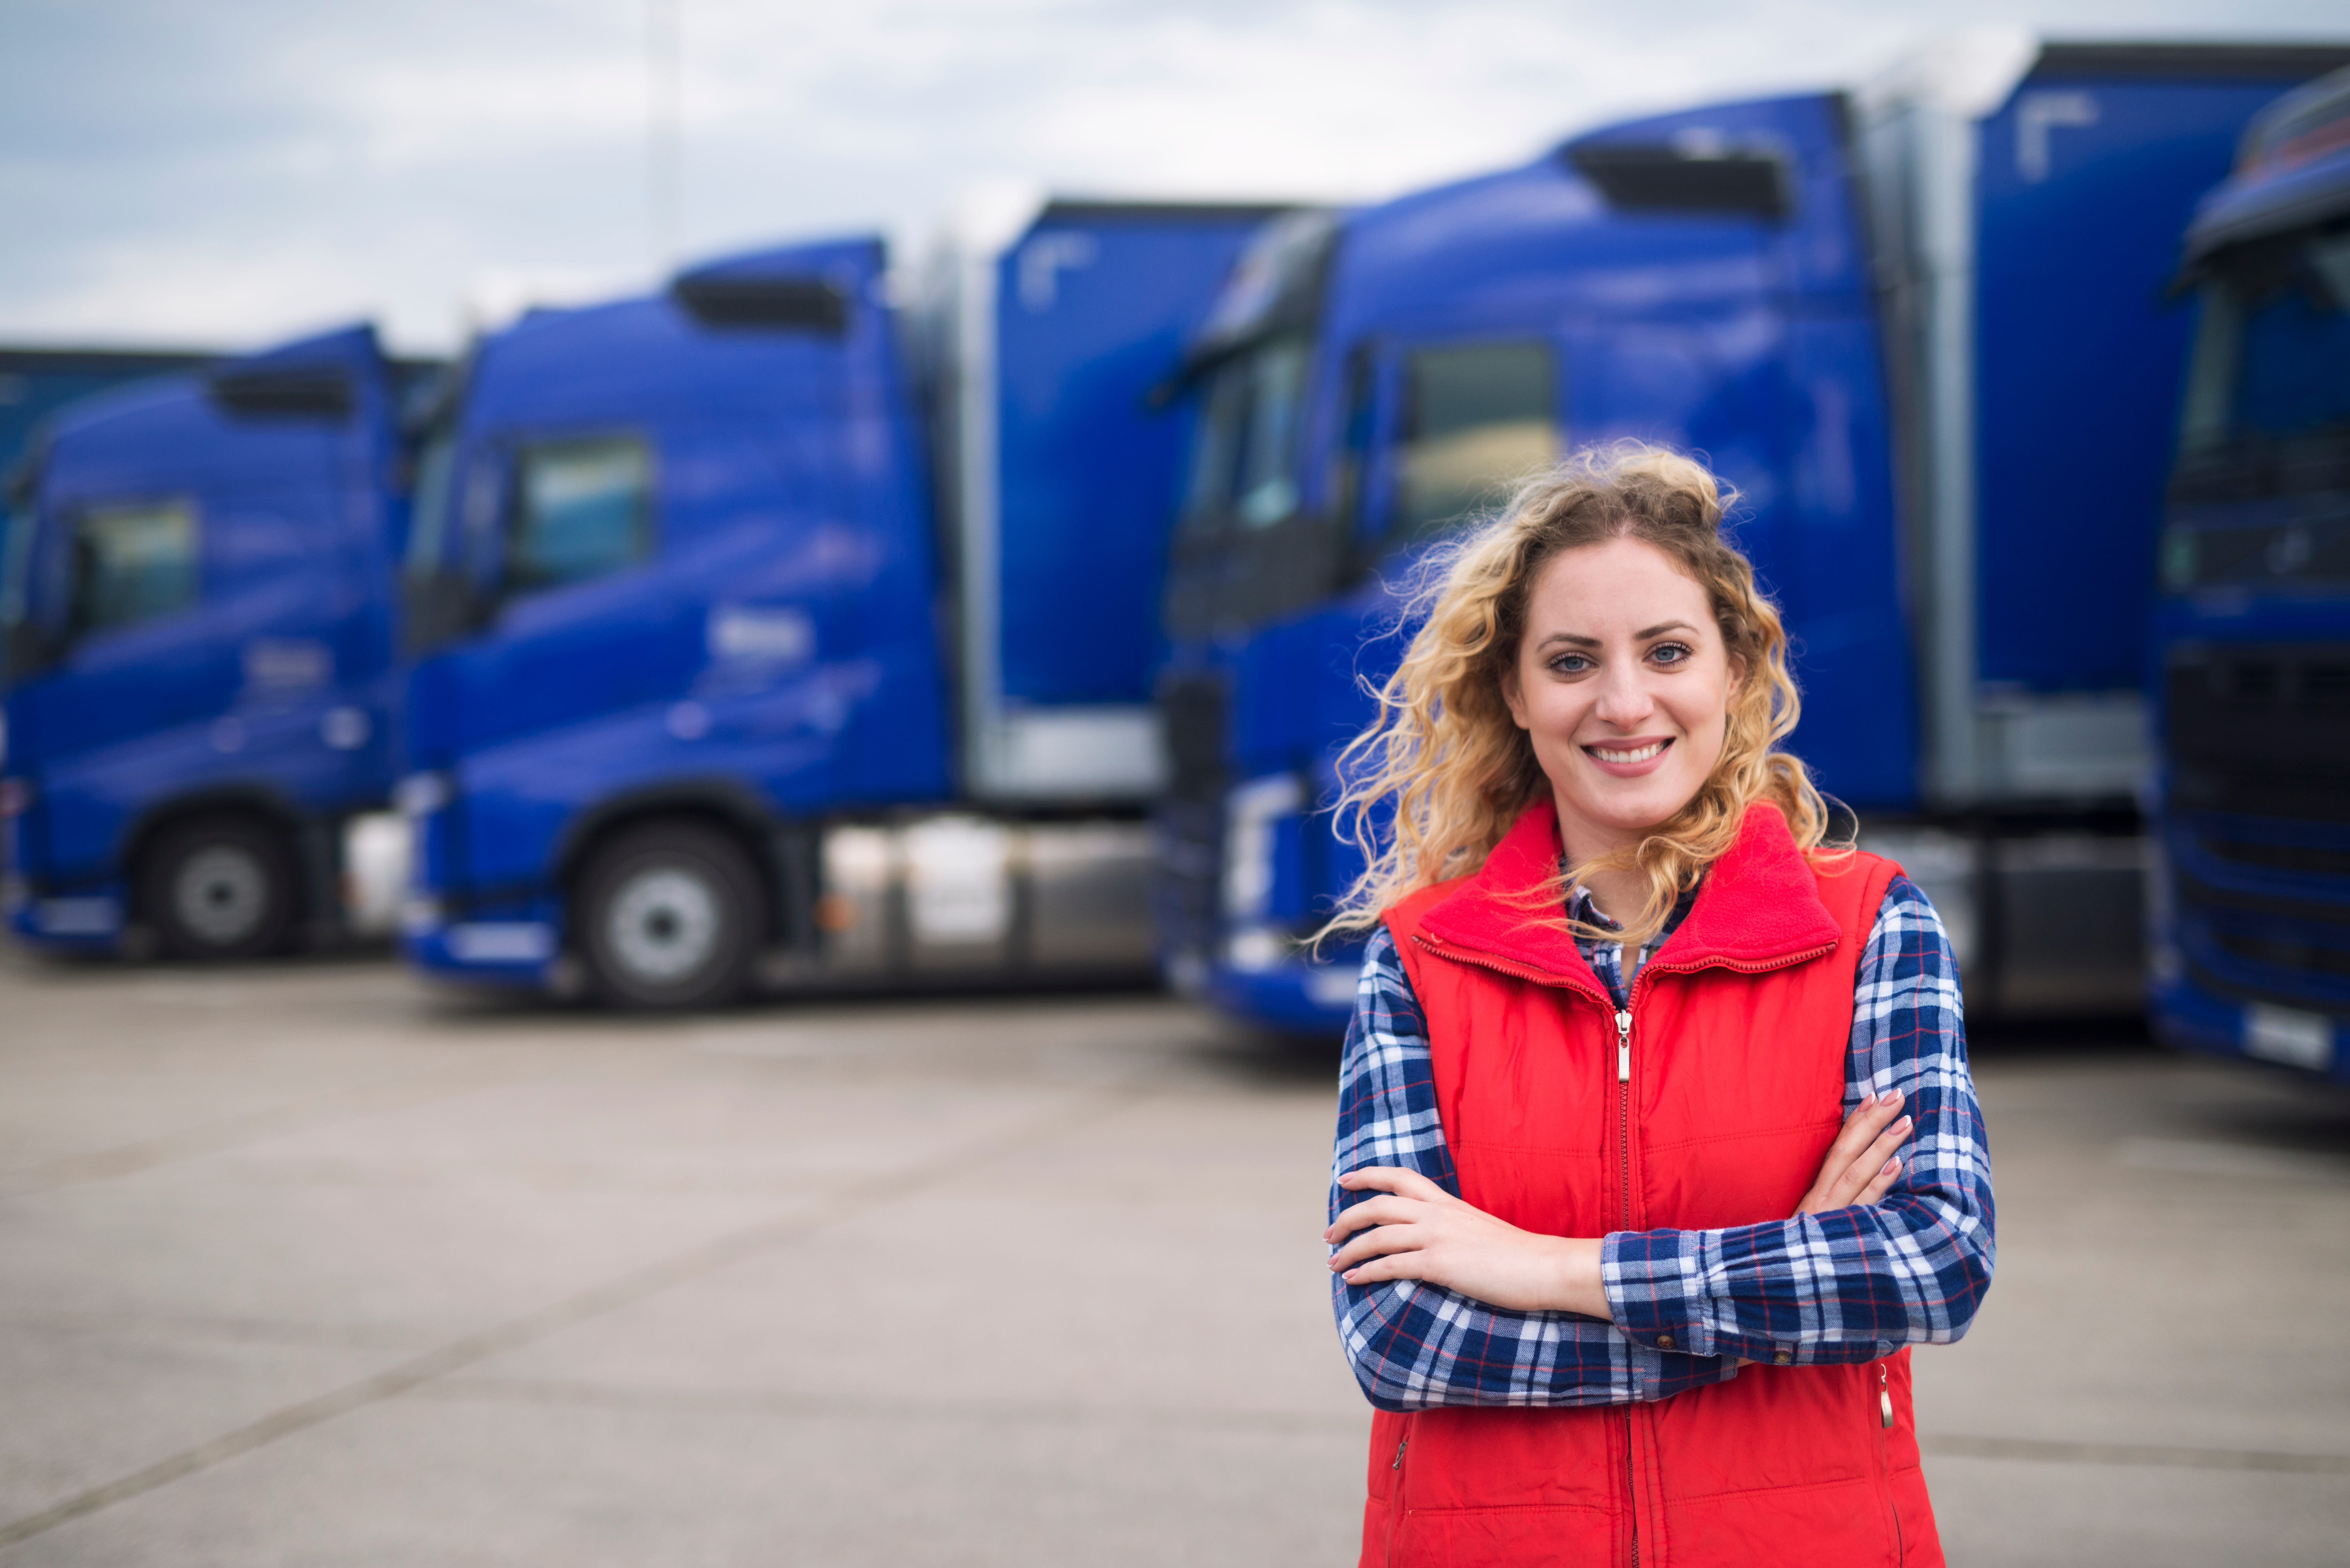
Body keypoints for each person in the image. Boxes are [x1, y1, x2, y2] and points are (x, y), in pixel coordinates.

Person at [1318, 444, 1993, 1567]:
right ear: (1515, 693)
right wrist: (1774, 1300)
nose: (1625, 703)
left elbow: (1934, 1261)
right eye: (1573, 660)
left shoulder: (1871, 926)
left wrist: (1547, 1271)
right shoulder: (1419, 961)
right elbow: (1402, 1342)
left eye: (1667, 651)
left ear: (1733, 673)